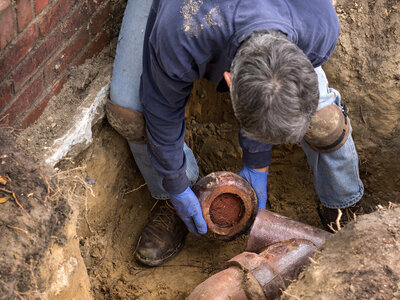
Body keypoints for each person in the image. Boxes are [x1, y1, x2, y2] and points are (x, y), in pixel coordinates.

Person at [107, 0, 364, 267]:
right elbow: (161, 108)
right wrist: (175, 183)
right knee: (131, 116)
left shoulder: (319, 25)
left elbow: (275, 92)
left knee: (324, 123)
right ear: (229, 81)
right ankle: (171, 200)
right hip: (181, 11)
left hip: (280, 15)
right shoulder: (179, 30)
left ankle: (341, 204)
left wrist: (257, 163)